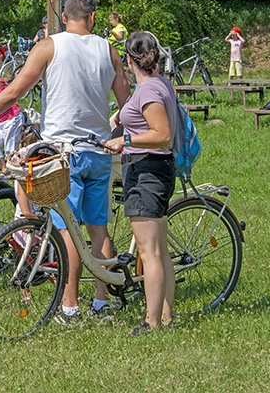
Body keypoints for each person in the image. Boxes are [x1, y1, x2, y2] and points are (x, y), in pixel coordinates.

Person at [0, 0, 131, 322]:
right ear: (93, 18)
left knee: (67, 231)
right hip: (100, 152)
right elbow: (126, 101)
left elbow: (14, 92)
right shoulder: (108, 50)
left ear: (63, 18)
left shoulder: (49, 46)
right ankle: (102, 301)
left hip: (63, 154)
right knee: (98, 229)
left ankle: (69, 307)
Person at [104, 32, 176, 335]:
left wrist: (126, 139)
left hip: (147, 171)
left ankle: (151, 321)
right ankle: (166, 317)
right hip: (155, 170)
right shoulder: (159, 84)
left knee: (149, 253)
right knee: (159, 250)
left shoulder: (148, 92)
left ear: (129, 59)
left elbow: (163, 134)